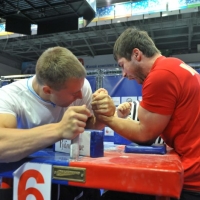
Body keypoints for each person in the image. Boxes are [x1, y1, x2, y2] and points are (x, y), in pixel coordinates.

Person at [93, 27, 200, 200]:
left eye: (122, 65)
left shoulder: (160, 75)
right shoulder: (173, 65)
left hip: (191, 179)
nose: (124, 74)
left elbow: (145, 135)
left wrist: (106, 116)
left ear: (136, 54)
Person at [0, 46, 115, 200]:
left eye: (81, 88)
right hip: (26, 178)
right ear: (48, 90)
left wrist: (101, 119)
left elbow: (87, 126)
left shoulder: (81, 86)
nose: (81, 94)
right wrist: (59, 130)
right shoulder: (10, 96)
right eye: (74, 93)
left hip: (71, 177)